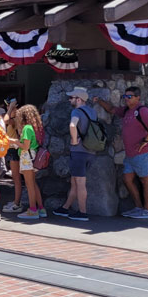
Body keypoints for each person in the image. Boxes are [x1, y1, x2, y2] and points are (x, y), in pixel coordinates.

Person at [92, 86, 148, 219]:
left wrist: (146, 140)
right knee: (127, 179)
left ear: (137, 97)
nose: (126, 99)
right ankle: (138, 207)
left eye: (129, 97)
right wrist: (99, 101)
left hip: (144, 153)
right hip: (130, 154)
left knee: (145, 180)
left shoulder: (142, 110)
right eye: (125, 97)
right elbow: (112, 109)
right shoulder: (126, 111)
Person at [53, 87, 96, 222]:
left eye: (71, 98)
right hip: (91, 150)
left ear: (79, 99)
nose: (69, 100)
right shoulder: (92, 111)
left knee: (79, 182)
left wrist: (73, 139)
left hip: (79, 152)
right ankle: (65, 208)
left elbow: (72, 125)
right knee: (75, 182)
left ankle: (83, 213)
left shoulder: (76, 111)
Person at [13, 105, 45, 220]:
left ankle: (32, 210)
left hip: (27, 157)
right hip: (33, 156)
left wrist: (14, 142)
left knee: (29, 185)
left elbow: (25, 146)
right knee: (33, 183)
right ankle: (41, 208)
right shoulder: (35, 127)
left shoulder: (27, 128)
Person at [2, 98, 25, 213]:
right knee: (15, 178)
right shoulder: (15, 118)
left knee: (16, 178)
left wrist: (11, 108)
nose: (7, 108)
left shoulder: (16, 119)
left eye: (9, 106)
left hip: (15, 150)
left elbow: (5, 121)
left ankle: (17, 203)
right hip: (12, 149)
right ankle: (16, 201)